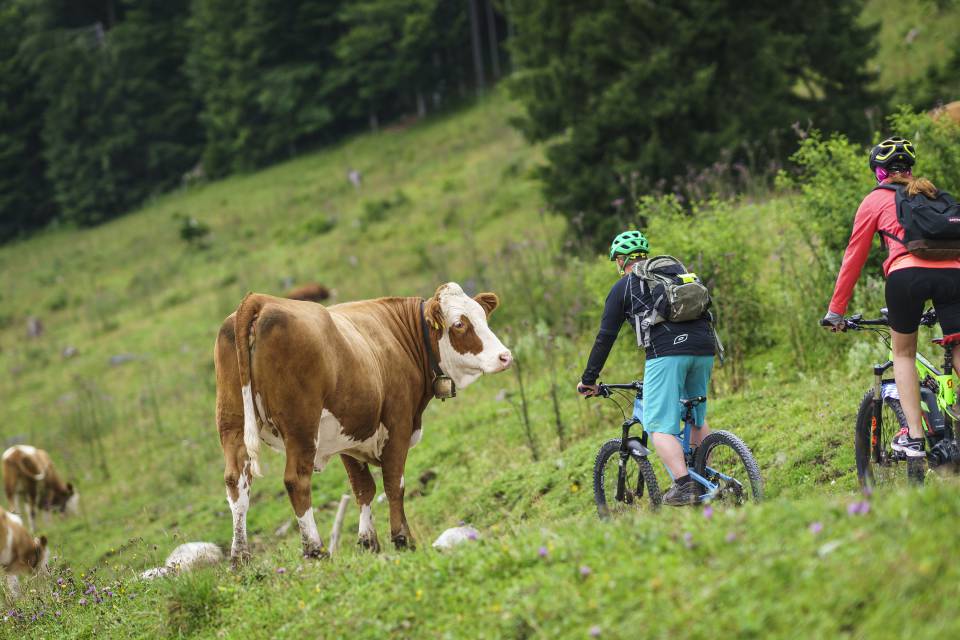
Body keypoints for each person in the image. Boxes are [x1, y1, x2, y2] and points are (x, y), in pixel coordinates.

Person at [823, 136, 960, 458]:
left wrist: (835, 310)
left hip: (906, 276)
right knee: (957, 345)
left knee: (904, 354)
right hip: (955, 275)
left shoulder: (874, 201)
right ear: (910, 170)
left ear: (879, 173)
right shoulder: (933, 195)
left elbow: (853, 258)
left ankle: (913, 436)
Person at [577, 230, 717, 505]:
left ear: (621, 260)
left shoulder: (625, 286)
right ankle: (705, 478)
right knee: (695, 415)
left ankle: (685, 486)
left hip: (666, 352)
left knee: (657, 424)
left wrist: (589, 379)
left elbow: (605, 337)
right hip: (704, 346)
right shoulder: (674, 274)